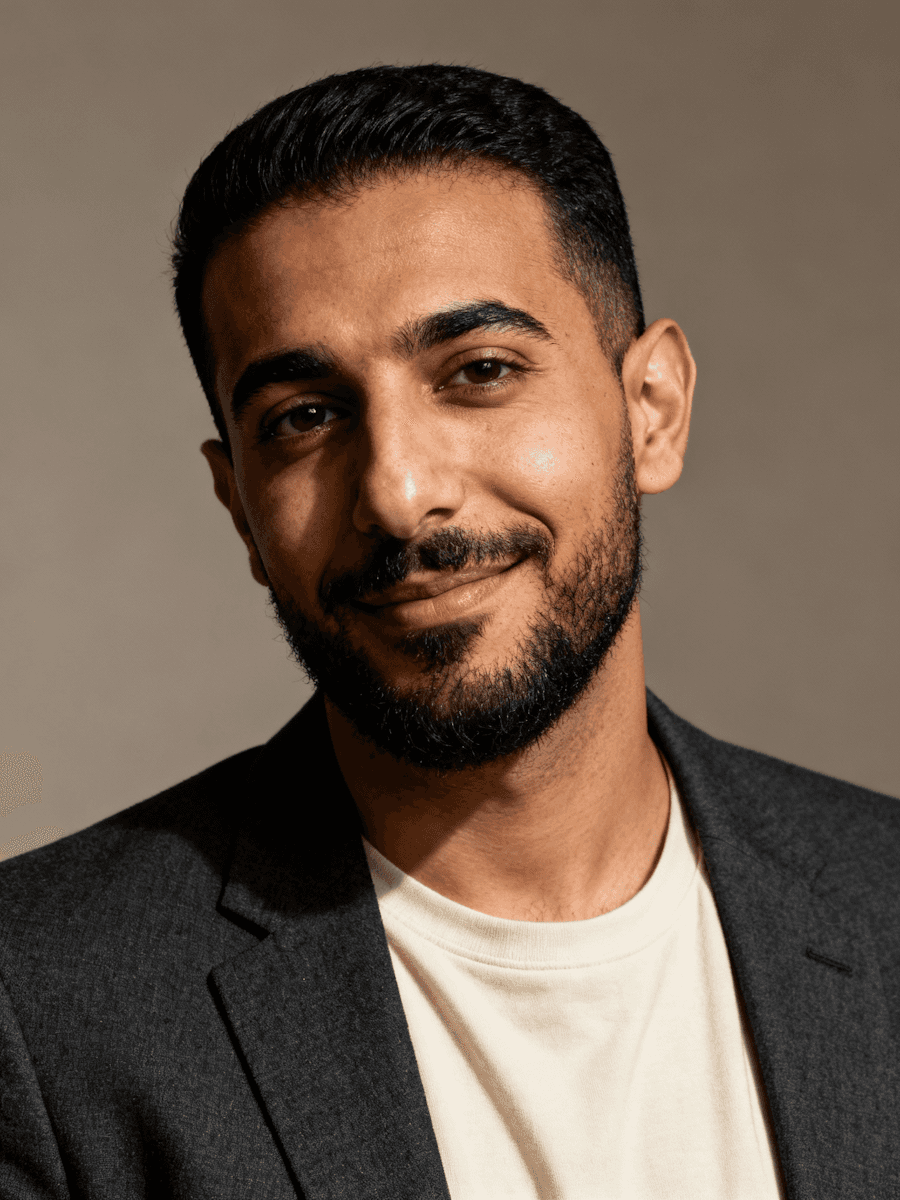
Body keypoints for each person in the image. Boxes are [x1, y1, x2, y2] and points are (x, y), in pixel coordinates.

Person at [0, 64, 897, 1200]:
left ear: (651, 410)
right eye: (305, 417)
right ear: (237, 503)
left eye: (479, 372)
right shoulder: (39, 1009)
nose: (397, 492)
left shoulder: (884, 904)